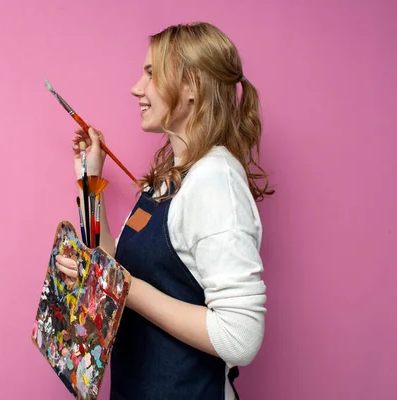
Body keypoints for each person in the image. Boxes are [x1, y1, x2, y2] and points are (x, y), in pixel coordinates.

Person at [55, 22, 273, 400]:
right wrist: (90, 180)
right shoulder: (171, 178)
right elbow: (111, 264)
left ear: (192, 88)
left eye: (151, 74)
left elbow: (240, 337)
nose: (136, 88)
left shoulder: (215, 181)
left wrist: (124, 286)